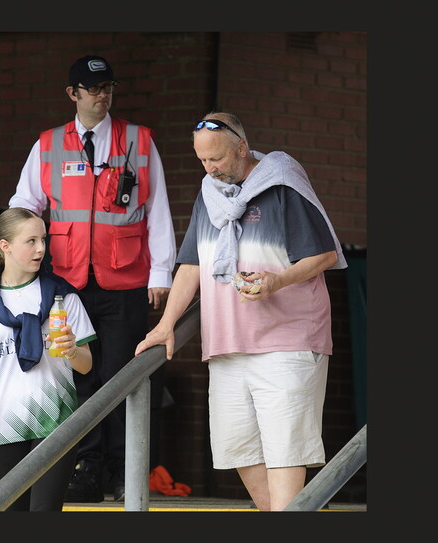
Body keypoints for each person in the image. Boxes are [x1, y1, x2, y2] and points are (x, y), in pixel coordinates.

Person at [135, 112, 348, 511]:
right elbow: (192, 265)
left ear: (242, 148)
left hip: (287, 343)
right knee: (239, 449)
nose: (210, 168)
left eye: (216, 158)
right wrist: (166, 324)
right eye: (202, 160)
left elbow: (324, 254)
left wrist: (276, 282)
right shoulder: (208, 195)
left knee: (285, 452)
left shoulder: (283, 184)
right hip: (226, 346)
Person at [9, 54, 177, 503]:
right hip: (67, 283)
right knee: (74, 377)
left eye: (108, 88)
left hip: (126, 281)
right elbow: (24, 205)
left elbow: (158, 210)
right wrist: (21, 261)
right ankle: (86, 469)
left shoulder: (138, 141)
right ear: (73, 93)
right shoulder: (48, 145)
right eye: (93, 88)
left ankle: (125, 472)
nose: (102, 96)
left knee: (123, 377)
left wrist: (161, 271)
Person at [0, 207, 97, 512]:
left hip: (57, 418)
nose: (41, 248)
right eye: (31, 241)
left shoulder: (63, 296)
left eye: (43, 239)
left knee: (45, 510)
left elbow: (86, 365)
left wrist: (72, 349)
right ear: (5, 246)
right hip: (3, 422)